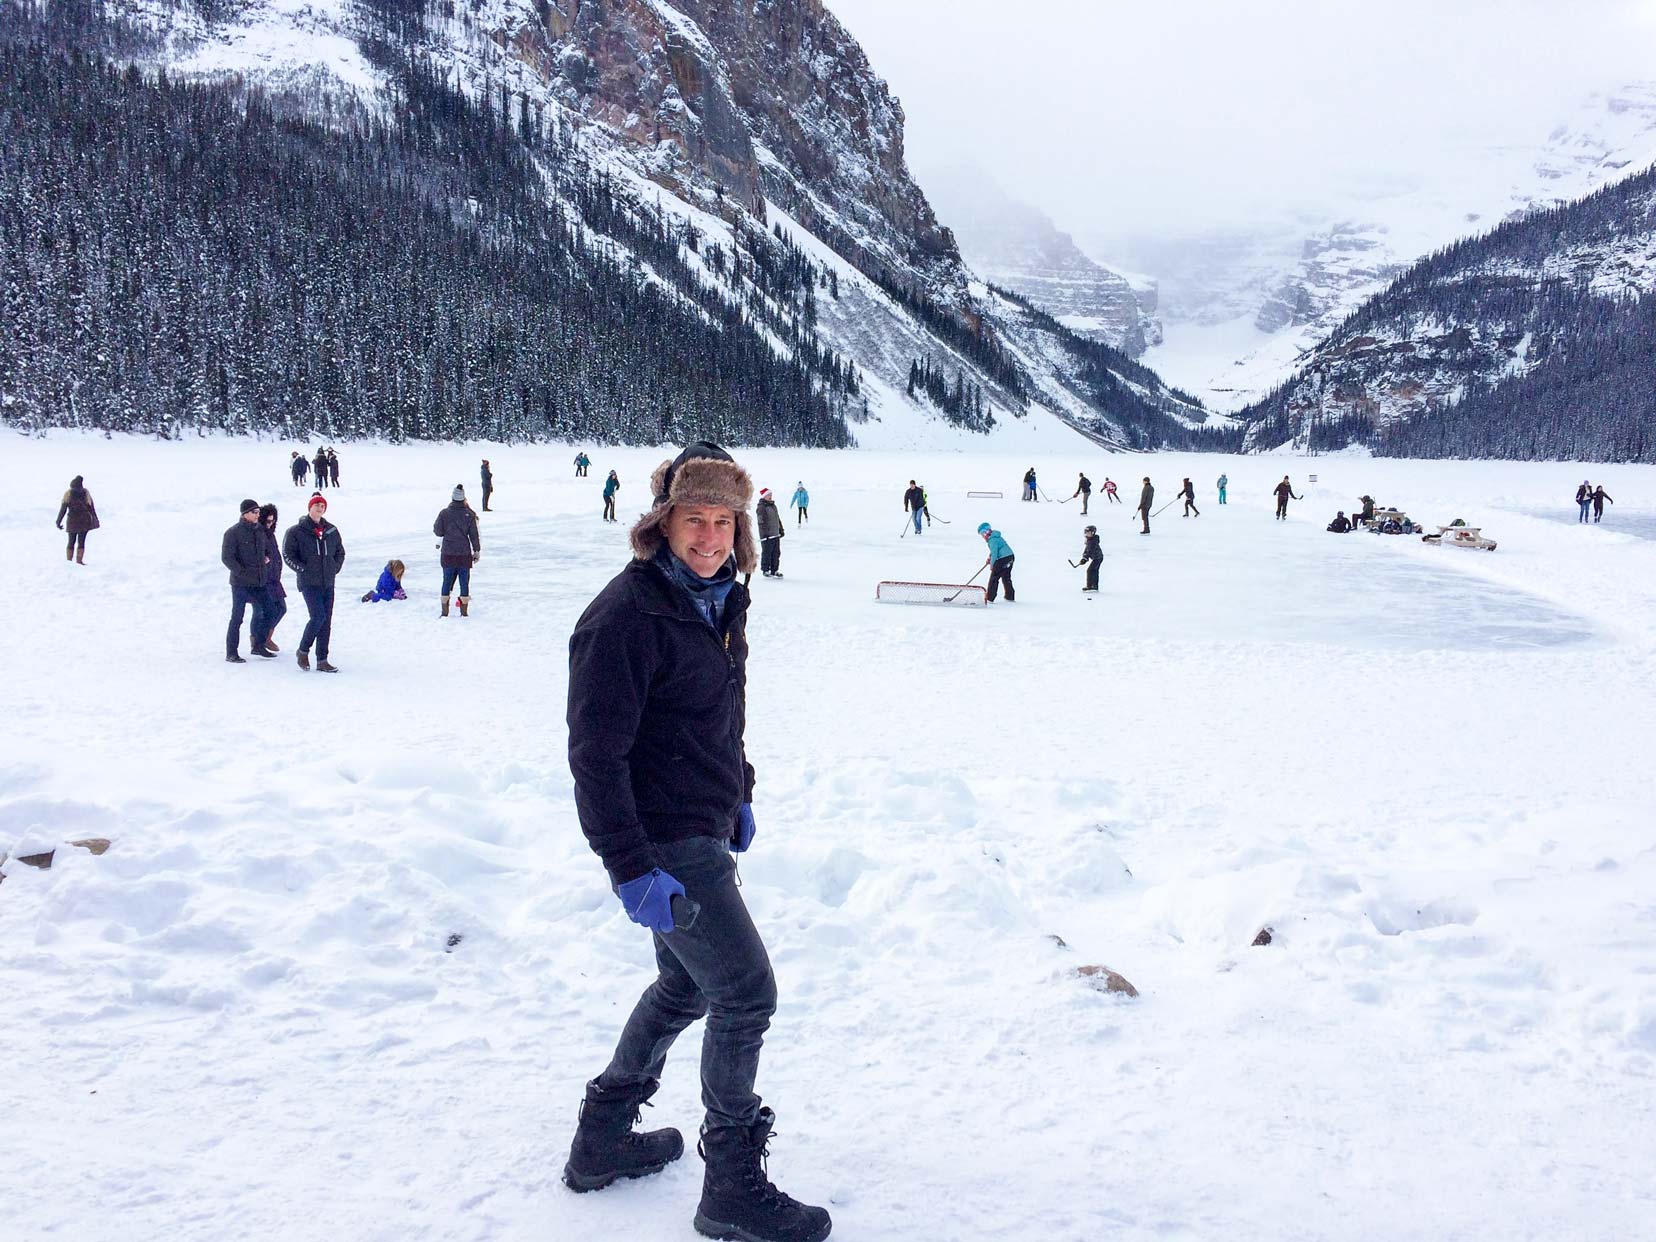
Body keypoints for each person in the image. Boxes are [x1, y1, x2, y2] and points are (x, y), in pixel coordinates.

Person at [564, 441, 829, 1242]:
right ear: (662, 522)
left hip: (704, 823)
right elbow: (595, 754)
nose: (710, 537)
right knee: (745, 993)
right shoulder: (626, 616)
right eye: (694, 520)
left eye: (723, 520)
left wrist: (739, 788)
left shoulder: (720, 601)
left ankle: (602, 1139)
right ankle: (731, 1185)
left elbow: (720, 714)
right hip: (664, 840)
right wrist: (629, 866)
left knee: (683, 990)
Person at [283, 493, 345, 672]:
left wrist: (335, 567)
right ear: (309, 508)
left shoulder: (331, 530)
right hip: (309, 582)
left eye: (322, 505)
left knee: (326, 621)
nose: (320, 507)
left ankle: (322, 659)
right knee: (318, 617)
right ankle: (303, 650)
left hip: (328, 581)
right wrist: (303, 569)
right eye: (316, 505)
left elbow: (340, 552)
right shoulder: (296, 531)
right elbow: (287, 554)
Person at [221, 499, 266, 664]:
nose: (257, 515)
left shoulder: (259, 530)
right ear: (245, 513)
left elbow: (265, 550)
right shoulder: (233, 533)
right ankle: (231, 652)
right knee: (237, 617)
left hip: (259, 581)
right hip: (240, 583)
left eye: (258, 512)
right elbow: (227, 558)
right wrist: (242, 572)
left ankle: (259, 645)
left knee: (268, 611)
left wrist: (265, 562)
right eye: (254, 512)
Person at [435, 485, 481, 616]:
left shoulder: (444, 513)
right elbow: (474, 535)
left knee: (446, 580)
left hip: (448, 553)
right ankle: (464, 612)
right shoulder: (469, 514)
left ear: (452, 498)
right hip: (464, 554)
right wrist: (476, 550)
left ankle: (444, 612)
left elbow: (438, 531)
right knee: (464, 582)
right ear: (463, 498)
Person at [251, 504, 288, 656]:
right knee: (259, 611)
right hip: (260, 579)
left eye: (273, 521)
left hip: (274, 579)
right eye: (267, 521)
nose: (270, 524)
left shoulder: (270, 534)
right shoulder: (256, 533)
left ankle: (265, 636)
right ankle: (256, 641)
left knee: (281, 608)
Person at [56, 474, 99, 565]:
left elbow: (63, 509)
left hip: (72, 521)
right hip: (84, 521)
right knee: (81, 542)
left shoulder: (68, 493)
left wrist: (58, 521)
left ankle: (69, 561)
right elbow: (91, 508)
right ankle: (79, 561)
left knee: (71, 541)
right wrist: (95, 519)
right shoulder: (86, 493)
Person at [977, 522, 1015, 601]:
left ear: (985, 532)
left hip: (1003, 559)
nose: (982, 537)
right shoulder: (996, 537)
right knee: (1006, 577)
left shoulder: (992, 540)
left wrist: (992, 564)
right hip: (1010, 557)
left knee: (994, 578)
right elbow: (995, 551)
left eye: (982, 534)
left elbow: (995, 553)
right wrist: (990, 558)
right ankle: (1009, 596)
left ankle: (990, 598)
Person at [755, 487, 784, 578]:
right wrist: (764, 534)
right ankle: (765, 570)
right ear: (764, 496)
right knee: (767, 552)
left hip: (775, 534)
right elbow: (761, 522)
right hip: (767, 535)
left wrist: (781, 529)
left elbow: (777, 519)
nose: (770, 496)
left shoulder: (773, 506)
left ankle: (774, 570)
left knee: (776, 553)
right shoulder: (761, 507)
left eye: (771, 495)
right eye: (768, 495)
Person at [1079, 524, 1102, 592]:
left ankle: (1091, 586)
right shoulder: (1089, 540)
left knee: (1090, 570)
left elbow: (1089, 550)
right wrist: (1084, 557)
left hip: (1098, 558)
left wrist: (1085, 558)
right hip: (1096, 558)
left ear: (1093, 533)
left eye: (1089, 533)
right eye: (1086, 533)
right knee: (1093, 571)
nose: (1087, 534)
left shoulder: (1093, 541)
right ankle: (1093, 586)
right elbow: (1087, 550)